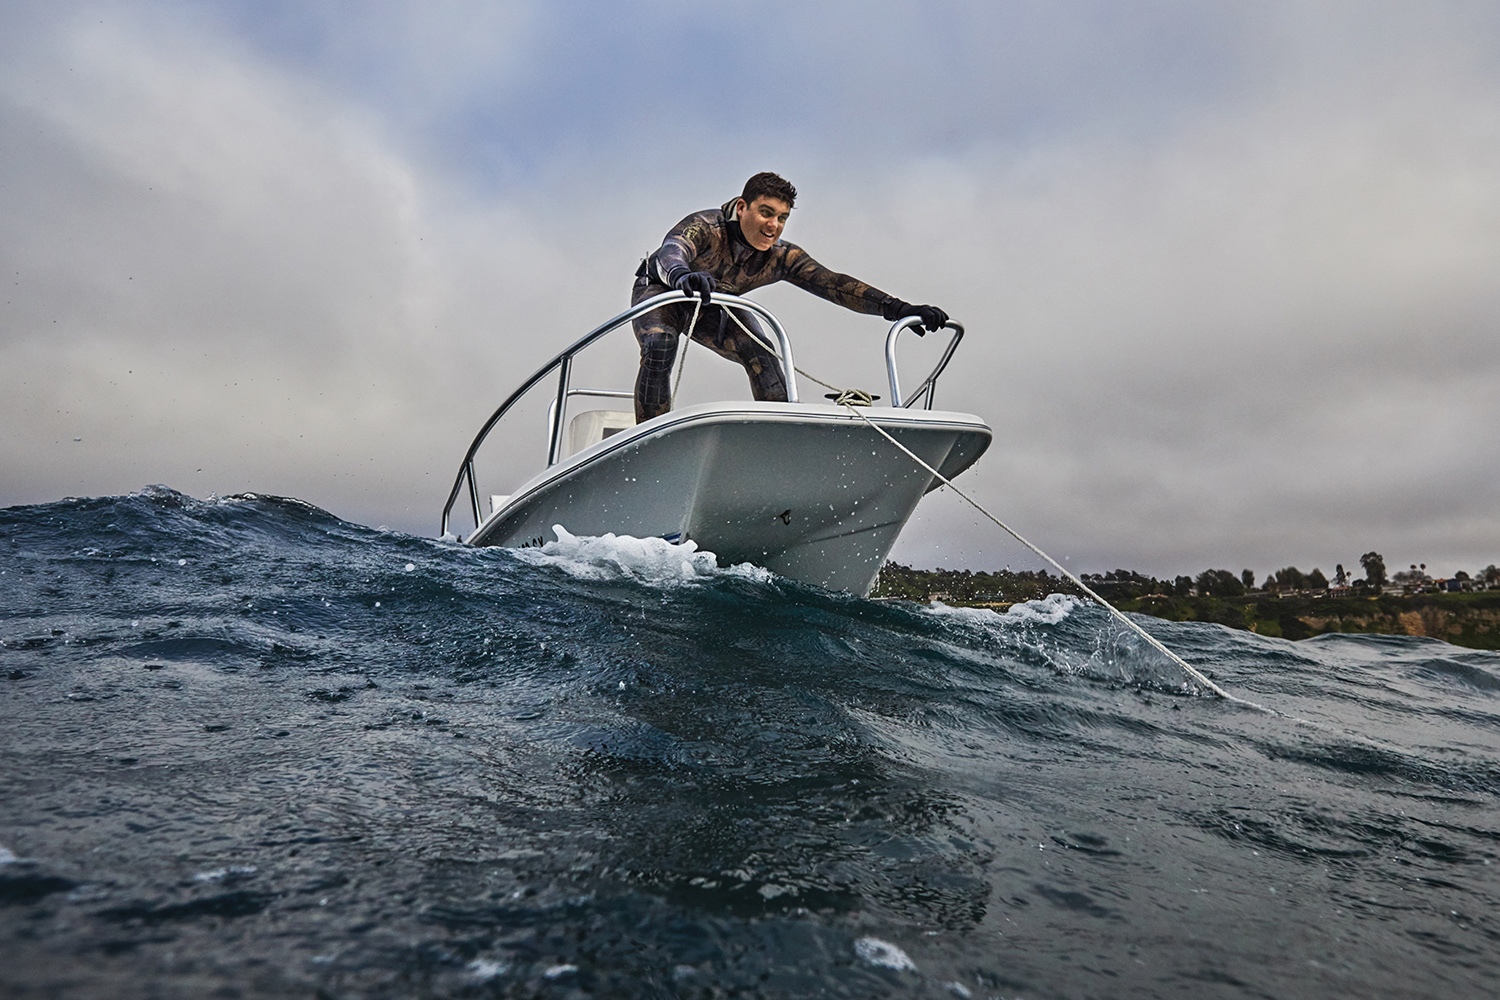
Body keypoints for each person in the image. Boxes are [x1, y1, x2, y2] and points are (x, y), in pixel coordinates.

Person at [630, 171, 949, 422]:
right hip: (663, 291)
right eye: (766, 213)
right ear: (742, 207)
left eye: (782, 217)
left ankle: (781, 439)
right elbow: (671, 251)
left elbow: (833, 284)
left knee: (762, 351)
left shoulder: (781, 257)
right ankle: (648, 441)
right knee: (660, 345)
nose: (773, 226)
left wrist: (900, 308)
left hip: (716, 303)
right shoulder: (706, 227)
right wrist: (683, 275)